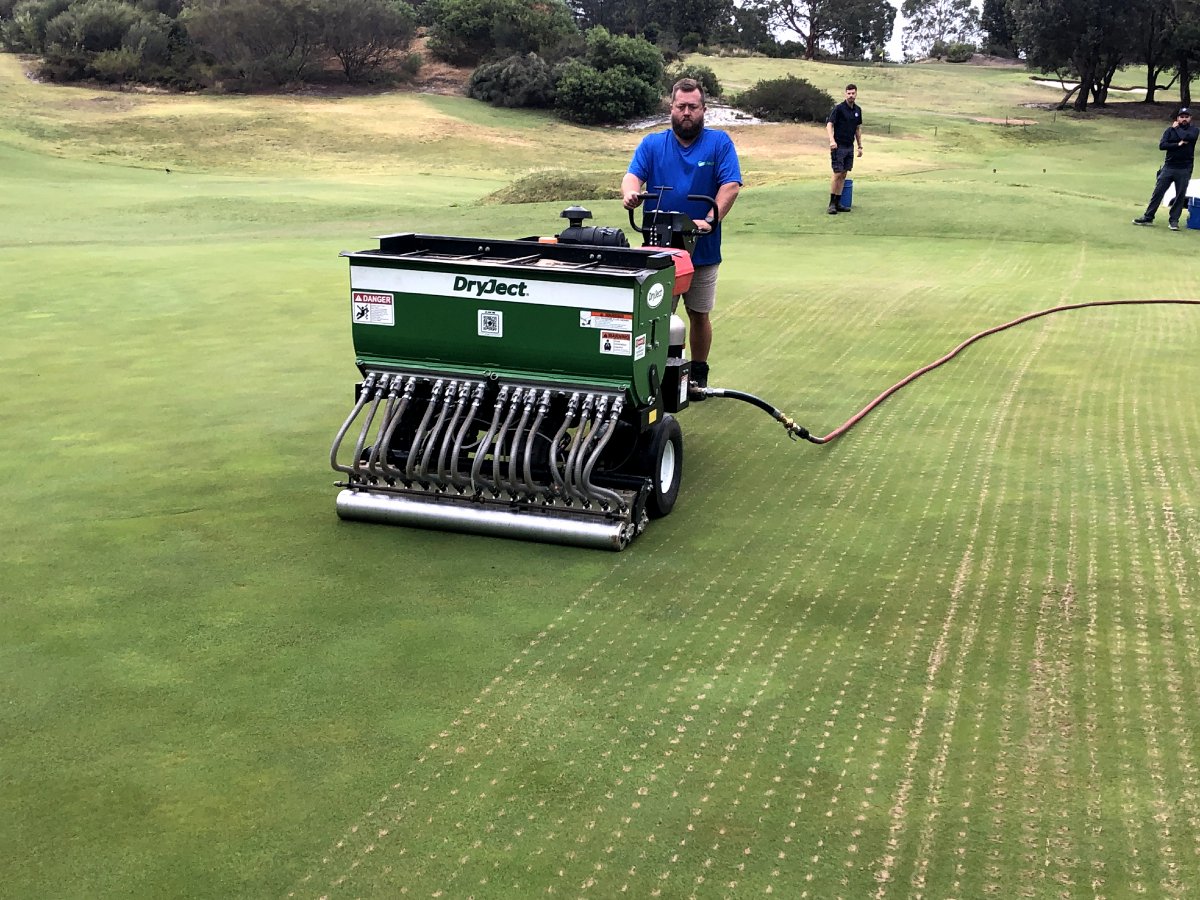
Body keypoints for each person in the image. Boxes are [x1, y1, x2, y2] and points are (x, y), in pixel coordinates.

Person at [622, 78, 742, 393]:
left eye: (693, 107)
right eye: (680, 107)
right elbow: (633, 176)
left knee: (698, 313)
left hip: (701, 247)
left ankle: (698, 373)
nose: (686, 112)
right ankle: (653, 373)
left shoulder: (719, 144)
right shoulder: (652, 145)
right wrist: (632, 193)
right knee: (655, 316)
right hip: (658, 251)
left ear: (703, 109)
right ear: (671, 108)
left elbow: (730, 185)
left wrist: (710, 219)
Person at [1133, 107, 1199, 231]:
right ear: (1178, 118)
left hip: (1184, 168)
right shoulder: (1169, 130)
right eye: (1182, 117)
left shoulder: (1194, 130)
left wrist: (1177, 129)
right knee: (1158, 192)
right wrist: (1177, 144)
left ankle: (1174, 221)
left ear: (1190, 118)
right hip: (1169, 166)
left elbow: (1186, 137)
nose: (1184, 119)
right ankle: (1148, 216)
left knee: (1180, 195)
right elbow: (1162, 145)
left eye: (1186, 117)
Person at [825, 84, 864, 215]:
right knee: (837, 173)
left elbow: (857, 129)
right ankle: (831, 204)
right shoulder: (839, 109)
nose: (851, 95)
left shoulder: (858, 110)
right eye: (849, 93)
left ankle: (838, 202)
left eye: (853, 93)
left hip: (849, 146)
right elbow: (829, 124)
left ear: (856, 94)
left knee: (844, 174)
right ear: (845, 94)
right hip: (838, 145)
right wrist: (832, 140)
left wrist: (859, 146)